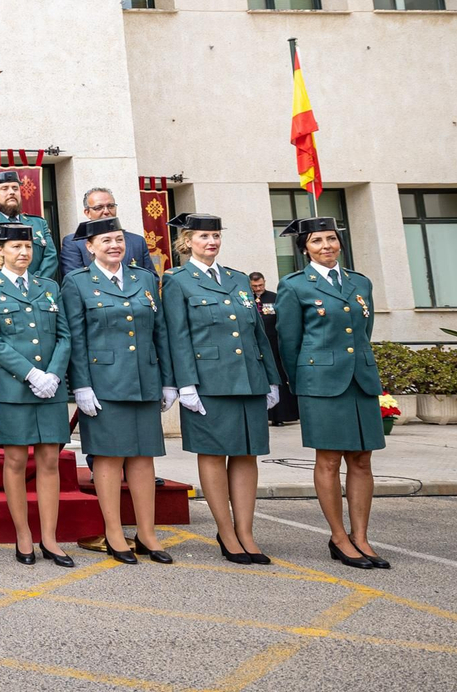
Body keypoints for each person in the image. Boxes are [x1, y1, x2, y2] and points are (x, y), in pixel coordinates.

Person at [163, 213, 281, 565]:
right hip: (208, 382)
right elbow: (177, 336)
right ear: (188, 242)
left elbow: (257, 332)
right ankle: (226, 532)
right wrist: (185, 384)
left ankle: (246, 532)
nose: (211, 242)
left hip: (248, 378)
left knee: (246, 454)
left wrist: (271, 378)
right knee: (214, 455)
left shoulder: (239, 279)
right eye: (203, 236)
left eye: (215, 235)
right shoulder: (178, 281)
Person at [275, 216, 389, 571]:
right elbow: (288, 343)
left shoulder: (360, 282)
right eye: (316, 241)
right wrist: (301, 385)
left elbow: (364, 331)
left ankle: (361, 536)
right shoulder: (295, 286)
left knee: (362, 459)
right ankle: (339, 537)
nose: (326, 246)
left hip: (361, 381)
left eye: (331, 239)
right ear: (304, 248)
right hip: (321, 384)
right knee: (328, 460)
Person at [62, 217, 175, 566]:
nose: (115, 245)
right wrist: (80, 385)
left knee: (143, 459)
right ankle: (113, 532)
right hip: (104, 383)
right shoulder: (77, 282)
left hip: (144, 378)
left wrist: (168, 380)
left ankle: (147, 533)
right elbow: (75, 337)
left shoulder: (143, 278)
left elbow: (160, 331)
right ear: (90, 247)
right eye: (106, 240)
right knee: (109, 460)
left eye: (119, 239)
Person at [0, 222, 73, 568]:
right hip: (13, 388)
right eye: (15, 247)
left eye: (27, 248)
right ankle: (23, 535)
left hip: (51, 388)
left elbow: (64, 336)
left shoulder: (48, 287)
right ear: (0, 251)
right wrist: (31, 374)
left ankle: (51, 537)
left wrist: (53, 375)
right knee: (15, 461)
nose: (23, 253)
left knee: (49, 461)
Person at [59, 188, 152, 277]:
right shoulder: (74, 243)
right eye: (99, 208)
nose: (106, 211)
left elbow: (151, 280)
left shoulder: (137, 241)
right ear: (87, 212)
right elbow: (75, 283)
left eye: (111, 206)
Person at [252, 272, 297, 425]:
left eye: (261, 285)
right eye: (255, 286)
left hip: (274, 345)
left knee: (279, 379)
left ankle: (280, 416)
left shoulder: (274, 297)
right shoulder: (246, 299)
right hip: (256, 346)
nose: (258, 289)